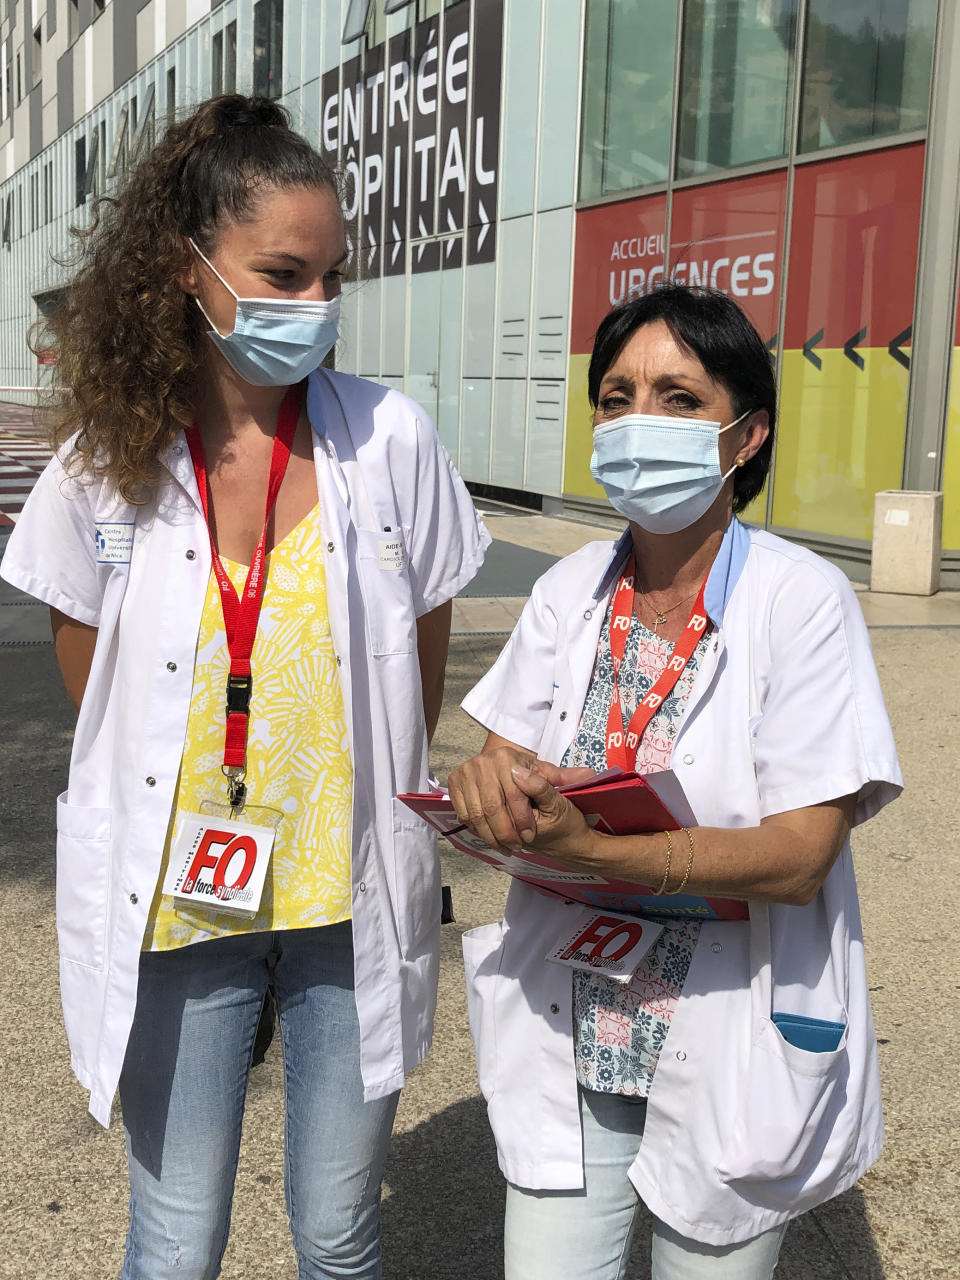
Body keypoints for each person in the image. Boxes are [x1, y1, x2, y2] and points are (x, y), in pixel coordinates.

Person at [1, 94, 489, 1280]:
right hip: (180, 900)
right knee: (173, 1241)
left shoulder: (392, 438)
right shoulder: (103, 460)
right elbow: (97, 676)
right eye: (283, 273)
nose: (314, 307)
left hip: (343, 887)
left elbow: (421, 647)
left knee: (338, 1233)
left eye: (333, 278)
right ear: (189, 267)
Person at [447, 285, 901, 1280]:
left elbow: (798, 857)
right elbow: (506, 762)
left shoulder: (803, 600)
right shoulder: (569, 593)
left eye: (679, 397)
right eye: (617, 395)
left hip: (728, 1024)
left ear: (747, 434)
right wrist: (487, 783)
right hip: (579, 1008)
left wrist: (597, 848)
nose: (638, 421)